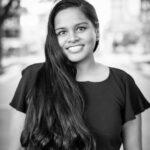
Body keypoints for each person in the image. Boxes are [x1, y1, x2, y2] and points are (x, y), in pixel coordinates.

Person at [10, 0, 150, 150]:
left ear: (96, 31)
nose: (72, 38)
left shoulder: (123, 83)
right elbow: (14, 147)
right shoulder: (34, 77)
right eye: (62, 32)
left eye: (80, 28)